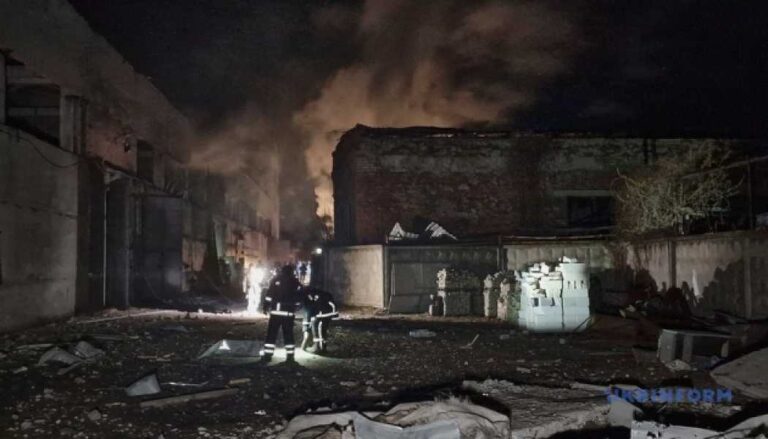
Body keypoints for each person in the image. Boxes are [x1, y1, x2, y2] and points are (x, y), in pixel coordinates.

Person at [261, 265, 303, 362]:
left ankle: (267, 355)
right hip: (288, 314)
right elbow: (300, 297)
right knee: (288, 334)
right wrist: (295, 306)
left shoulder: (276, 280)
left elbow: (269, 295)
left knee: (271, 334)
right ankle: (290, 356)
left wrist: (265, 306)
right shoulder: (295, 282)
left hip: (276, 313)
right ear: (292, 272)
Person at [300, 287, 338, 353]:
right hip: (327, 313)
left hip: (323, 314)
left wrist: (306, 327)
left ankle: (318, 348)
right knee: (322, 329)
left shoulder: (308, 296)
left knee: (317, 326)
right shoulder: (319, 293)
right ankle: (322, 347)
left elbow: (309, 312)